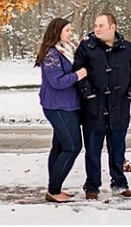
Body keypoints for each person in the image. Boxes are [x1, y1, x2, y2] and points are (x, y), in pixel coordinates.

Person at [74, 13, 131, 200]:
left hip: (119, 107)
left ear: (112, 27)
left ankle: (119, 183)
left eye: (101, 25)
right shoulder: (86, 47)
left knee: (118, 149)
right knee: (93, 151)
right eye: (96, 25)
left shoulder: (127, 48)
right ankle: (92, 186)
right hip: (94, 108)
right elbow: (78, 71)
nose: (97, 29)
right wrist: (87, 91)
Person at [35, 17, 88, 203]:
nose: (70, 33)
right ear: (57, 32)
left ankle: (54, 188)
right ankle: (54, 190)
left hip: (67, 105)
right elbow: (56, 82)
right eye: (67, 30)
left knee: (59, 147)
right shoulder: (51, 54)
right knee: (73, 147)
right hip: (57, 106)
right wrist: (78, 75)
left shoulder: (63, 50)